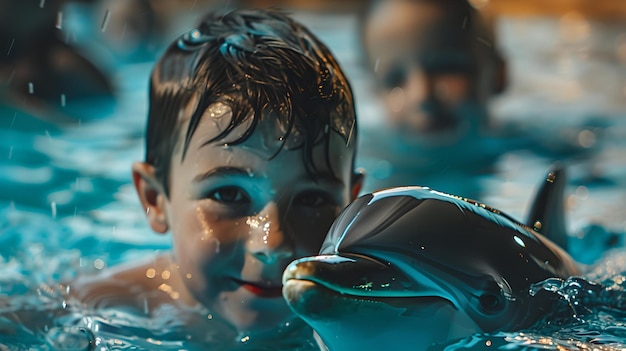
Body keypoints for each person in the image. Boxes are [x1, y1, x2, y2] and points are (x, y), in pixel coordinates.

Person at [70, 8, 362, 350]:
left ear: (351, 207)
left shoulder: (367, 315)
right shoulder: (100, 308)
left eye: (312, 199)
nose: (272, 244)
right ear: (155, 199)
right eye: (229, 195)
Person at [356, 0, 507, 196]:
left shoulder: (533, 152)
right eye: (395, 79)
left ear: (499, 75)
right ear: (373, 90)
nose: (422, 95)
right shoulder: (367, 162)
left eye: (445, 67)